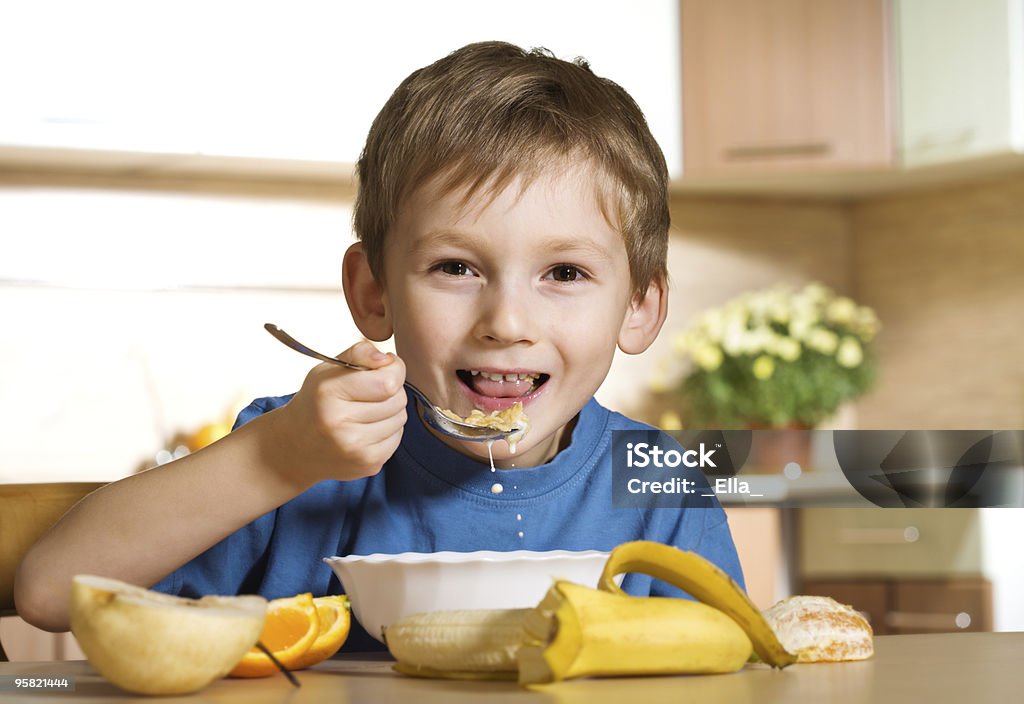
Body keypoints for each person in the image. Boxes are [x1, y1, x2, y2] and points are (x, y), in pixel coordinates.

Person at [15, 41, 744, 651]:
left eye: (565, 272)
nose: (506, 320)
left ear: (641, 307)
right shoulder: (299, 456)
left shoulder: (661, 481)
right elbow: (51, 592)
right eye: (455, 268)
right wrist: (277, 458)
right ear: (375, 293)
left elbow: (729, 664)